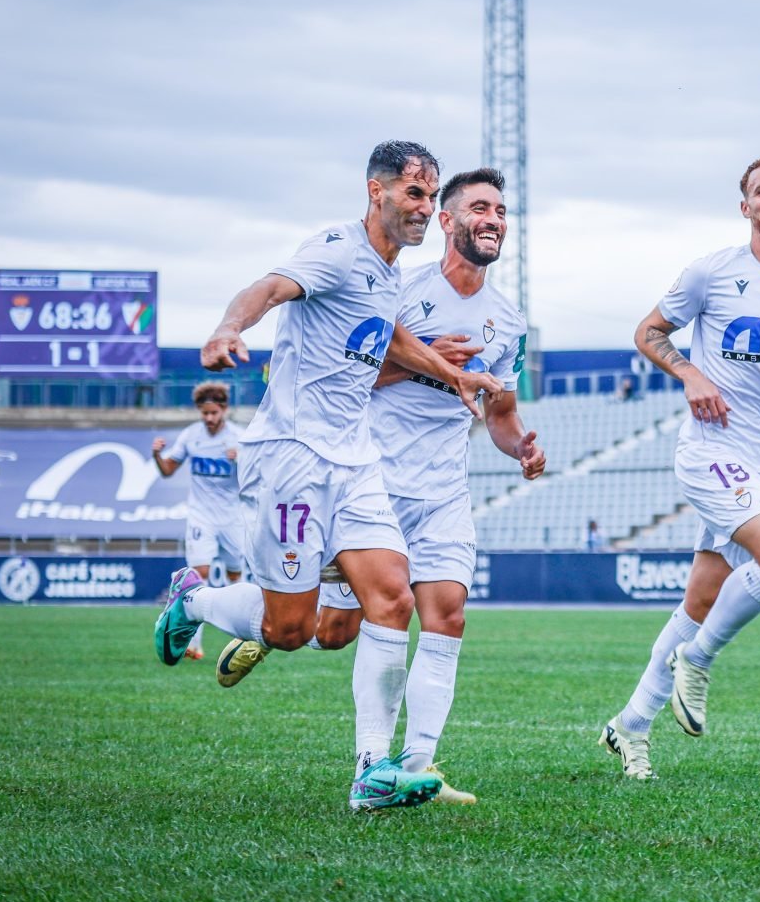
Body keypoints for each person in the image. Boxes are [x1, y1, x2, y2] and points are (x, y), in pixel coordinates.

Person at [154, 140, 494, 812]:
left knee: (392, 597)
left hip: (355, 459)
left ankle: (373, 771)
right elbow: (270, 287)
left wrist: (452, 373)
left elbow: (389, 334)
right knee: (290, 630)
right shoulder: (337, 248)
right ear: (377, 192)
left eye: (431, 196)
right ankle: (193, 598)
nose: (425, 208)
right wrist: (228, 325)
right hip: (291, 459)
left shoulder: (390, 270)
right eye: (414, 195)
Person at [217, 167, 544, 808]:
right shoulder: (396, 285)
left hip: (444, 489)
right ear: (448, 222)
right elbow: (348, 373)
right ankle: (252, 616)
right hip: (370, 474)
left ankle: (412, 767)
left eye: (501, 211)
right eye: (479, 208)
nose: (494, 220)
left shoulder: (508, 321)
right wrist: (428, 360)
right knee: (326, 630)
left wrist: (521, 448)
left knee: (444, 613)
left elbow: (500, 414)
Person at [600, 155, 760, 780]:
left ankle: (630, 727)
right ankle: (700, 659)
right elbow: (648, 331)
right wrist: (689, 372)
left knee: (698, 599)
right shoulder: (711, 273)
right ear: (745, 206)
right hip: (711, 454)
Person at [151, 381, 247, 660]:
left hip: (232, 516)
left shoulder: (239, 438)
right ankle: (194, 643)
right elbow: (168, 470)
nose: (209, 418)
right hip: (201, 515)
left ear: (224, 410)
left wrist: (242, 460)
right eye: (204, 413)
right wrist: (157, 455)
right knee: (199, 574)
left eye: (214, 413)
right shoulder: (191, 436)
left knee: (235, 577)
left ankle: (239, 640)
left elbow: (259, 476)